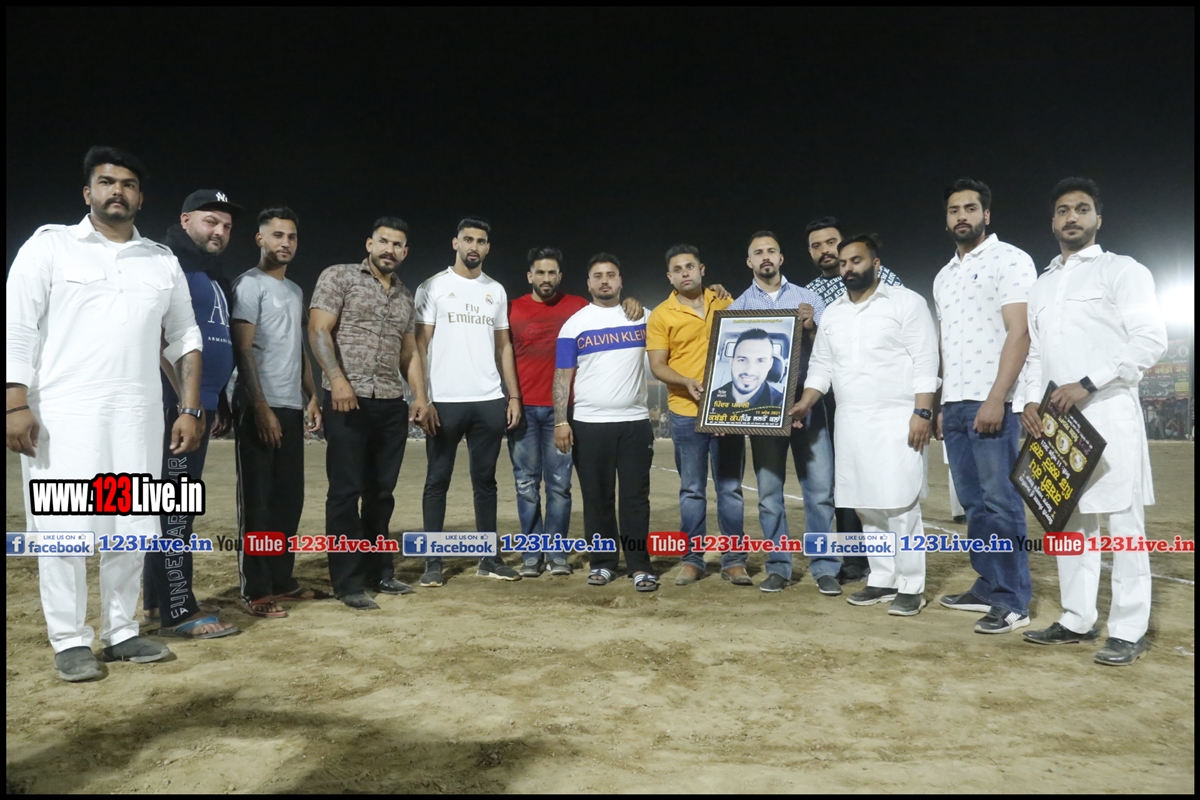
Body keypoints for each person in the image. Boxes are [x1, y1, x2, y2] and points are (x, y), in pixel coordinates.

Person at [6, 146, 204, 680]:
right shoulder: (50, 247)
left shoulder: (160, 259)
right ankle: (70, 639)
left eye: (128, 184)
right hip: (62, 417)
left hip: (136, 418)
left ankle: (122, 631)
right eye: (107, 181)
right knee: (63, 527)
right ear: (87, 192)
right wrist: (14, 402)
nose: (118, 190)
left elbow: (184, 335)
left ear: (140, 196)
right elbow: (17, 327)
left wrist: (189, 407)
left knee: (130, 527)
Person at [1020, 177, 1167, 666]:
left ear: (1098, 219)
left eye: (1082, 209)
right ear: (1053, 222)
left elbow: (1149, 339)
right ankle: (1076, 618)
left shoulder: (1122, 271)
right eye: (1063, 210)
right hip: (1057, 423)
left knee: (1123, 522)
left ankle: (1128, 629)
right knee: (1069, 520)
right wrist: (1029, 402)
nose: (1072, 217)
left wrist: (1088, 382)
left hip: (1108, 412)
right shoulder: (1041, 285)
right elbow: (1035, 354)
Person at [792, 234, 938, 616]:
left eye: (856, 261)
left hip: (897, 417)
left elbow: (926, 360)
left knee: (900, 504)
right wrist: (806, 402)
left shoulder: (906, 302)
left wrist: (922, 412)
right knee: (866, 506)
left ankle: (911, 585)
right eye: (843, 263)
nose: (848, 268)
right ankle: (882, 579)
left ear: (875, 264)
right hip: (851, 419)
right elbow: (821, 365)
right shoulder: (834, 313)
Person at [309, 217, 432, 610]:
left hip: (390, 403)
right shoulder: (339, 276)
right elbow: (318, 330)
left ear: (405, 252)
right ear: (369, 243)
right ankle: (348, 582)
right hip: (348, 400)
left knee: (381, 494)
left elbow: (409, 353)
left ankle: (380, 571)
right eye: (383, 241)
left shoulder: (405, 295)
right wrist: (337, 381)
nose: (389, 250)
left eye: (397, 245)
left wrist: (420, 396)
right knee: (345, 493)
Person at [933, 178, 1036, 634]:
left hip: (992, 400)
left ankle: (1014, 600)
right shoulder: (943, 276)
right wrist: (942, 402)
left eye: (970, 208)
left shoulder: (1010, 259)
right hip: (955, 403)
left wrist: (997, 397)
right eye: (954, 210)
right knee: (974, 505)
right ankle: (988, 584)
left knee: (1001, 503)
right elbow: (945, 342)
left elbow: (1020, 331)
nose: (962, 216)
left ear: (986, 215)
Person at [508, 247, 645, 577]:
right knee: (527, 485)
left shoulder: (588, 309)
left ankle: (560, 555)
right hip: (533, 408)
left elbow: (615, 309)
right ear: (529, 276)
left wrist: (633, 301)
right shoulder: (515, 309)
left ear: (561, 277)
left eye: (551, 272)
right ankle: (535, 555)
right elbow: (506, 352)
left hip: (591, 416)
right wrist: (514, 398)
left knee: (562, 487)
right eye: (540, 272)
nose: (546, 278)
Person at [144, 189, 244, 639]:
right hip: (175, 408)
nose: (219, 231)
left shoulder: (208, 273)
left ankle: (157, 600)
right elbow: (159, 338)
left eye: (226, 226)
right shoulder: (167, 265)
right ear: (185, 221)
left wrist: (214, 397)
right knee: (175, 511)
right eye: (210, 222)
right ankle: (179, 610)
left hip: (197, 405)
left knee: (167, 508)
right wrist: (189, 404)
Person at [730, 231, 840, 595]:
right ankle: (778, 565)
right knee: (769, 493)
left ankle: (825, 565)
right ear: (749, 261)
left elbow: (827, 350)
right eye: (758, 252)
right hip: (763, 407)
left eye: (771, 251)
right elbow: (730, 364)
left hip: (809, 403)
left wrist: (811, 327)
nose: (765, 257)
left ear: (781, 258)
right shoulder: (738, 307)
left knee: (819, 490)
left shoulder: (809, 299)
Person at [414, 218, 522, 586]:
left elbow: (504, 346)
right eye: (468, 239)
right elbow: (420, 345)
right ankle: (432, 563)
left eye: (481, 241)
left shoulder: (496, 290)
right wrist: (423, 397)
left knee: (486, 482)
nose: (474, 246)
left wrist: (513, 395)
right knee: (437, 481)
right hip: (445, 401)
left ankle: (489, 559)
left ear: (488, 247)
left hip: (489, 400)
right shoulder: (433, 286)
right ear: (455, 243)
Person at [231, 207, 325, 618]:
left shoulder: (295, 291)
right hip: (259, 407)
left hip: (290, 405)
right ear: (260, 239)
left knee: (289, 499)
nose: (285, 243)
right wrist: (261, 407)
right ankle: (255, 590)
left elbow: (297, 348)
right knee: (258, 502)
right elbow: (243, 349)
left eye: (291, 236)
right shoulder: (248, 285)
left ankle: (282, 580)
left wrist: (312, 395)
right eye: (277, 235)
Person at [804, 216, 903, 583]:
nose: (825, 251)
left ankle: (895, 561)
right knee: (845, 479)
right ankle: (854, 558)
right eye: (816, 246)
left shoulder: (884, 279)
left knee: (885, 477)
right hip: (834, 397)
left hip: (884, 396)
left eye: (831, 242)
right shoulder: (809, 293)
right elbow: (818, 351)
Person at [647, 244, 749, 586]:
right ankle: (692, 560)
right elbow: (658, 366)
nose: (684, 273)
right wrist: (686, 382)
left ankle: (734, 560)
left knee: (730, 488)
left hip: (727, 411)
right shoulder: (661, 314)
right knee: (692, 489)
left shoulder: (726, 303)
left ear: (702, 269)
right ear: (669, 276)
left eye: (689, 266)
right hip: (685, 411)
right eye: (677, 269)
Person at [554, 254, 656, 591]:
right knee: (597, 499)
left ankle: (640, 565)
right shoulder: (574, 324)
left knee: (635, 499)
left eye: (611, 274)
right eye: (597, 276)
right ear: (588, 283)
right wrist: (560, 421)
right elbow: (562, 376)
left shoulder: (644, 317)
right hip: (588, 424)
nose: (604, 281)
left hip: (634, 423)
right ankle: (602, 563)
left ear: (621, 280)